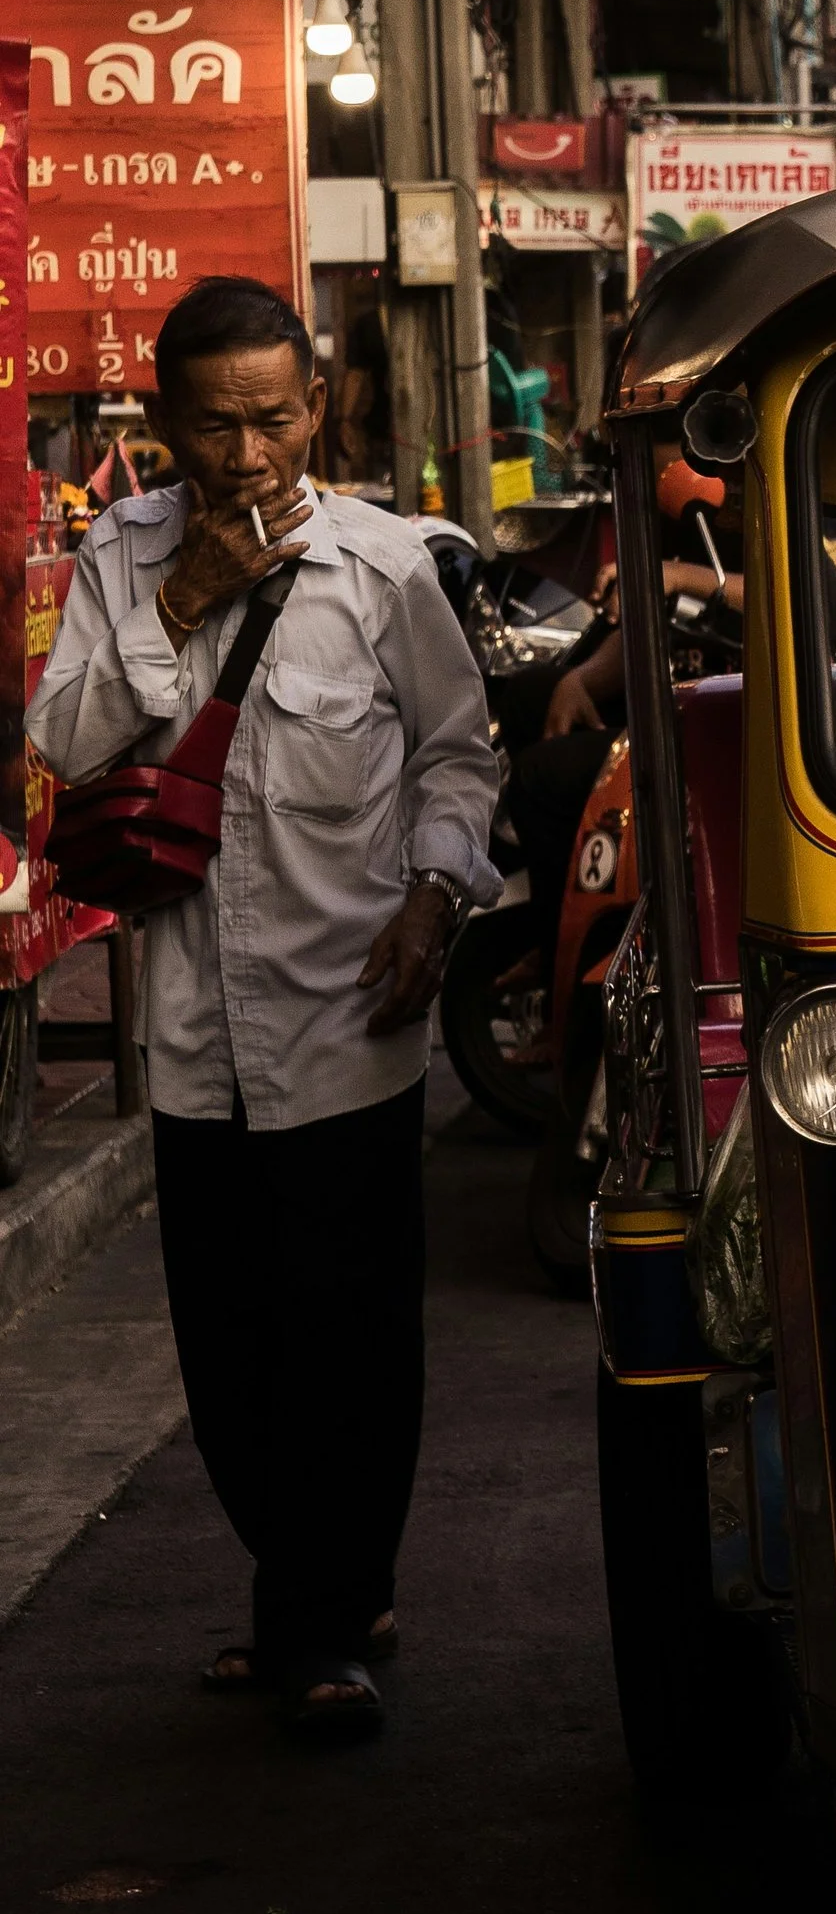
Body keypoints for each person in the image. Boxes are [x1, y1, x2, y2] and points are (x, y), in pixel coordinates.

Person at [27, 276, 499, 1738]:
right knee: (231, 1346)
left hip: (349, 1010)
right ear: (165, 418)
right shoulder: (122, 554)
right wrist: (182, 603)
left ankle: (320, 1618)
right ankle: (317, 1590)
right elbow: (62, 737)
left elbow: (460, 756)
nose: (249, 454)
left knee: (351, 1335)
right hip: (192, 1023)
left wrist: (433, 896)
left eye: (276, 418)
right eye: (218, 423)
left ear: (318, 407)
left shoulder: (385, 564)